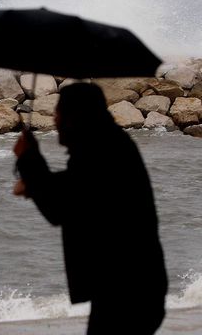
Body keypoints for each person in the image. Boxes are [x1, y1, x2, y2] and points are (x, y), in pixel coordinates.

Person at [13, 82, 168, 335]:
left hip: (127, 293)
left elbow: (60, 207)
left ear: (75, 117)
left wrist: (29, 160)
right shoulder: (107, 144)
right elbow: (76, 190)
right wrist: (34, 171)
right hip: (131, 287)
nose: (54, 120)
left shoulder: (101, 150)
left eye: (58, 113)